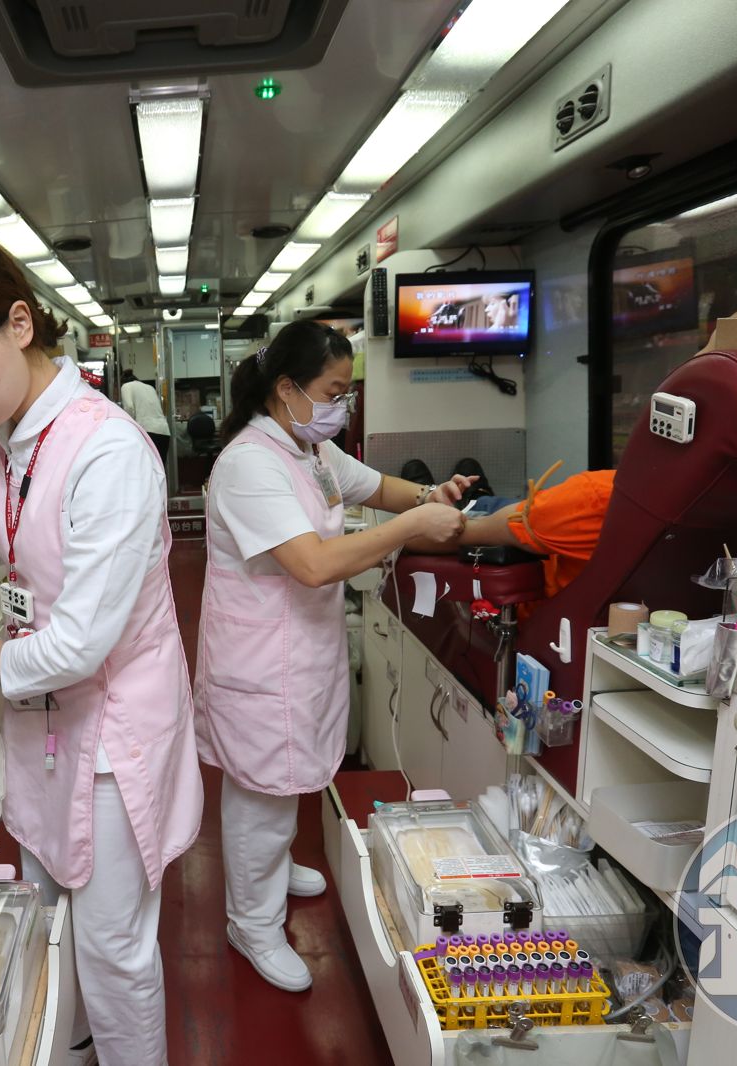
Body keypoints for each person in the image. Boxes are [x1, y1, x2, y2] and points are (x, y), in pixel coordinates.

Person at [0, 232, 202, 1066]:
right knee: (44, 911)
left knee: (112, 944)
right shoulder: (15, 433)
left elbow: (75, 645)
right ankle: (68, 1041)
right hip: (49, 722)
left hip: (111, 732)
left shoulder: (107, 451)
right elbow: (38, 528)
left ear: (20, 324)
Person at [193, 321, 473, 993]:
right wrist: (412, 526)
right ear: (286, 389)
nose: (340, 405)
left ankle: (273, 866)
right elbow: (313, 564)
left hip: (300, 650)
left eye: (346, 392)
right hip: (259, 662)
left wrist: (430, 495)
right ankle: (251, 921)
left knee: (288, 779)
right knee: (262, 792)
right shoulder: (250, 463)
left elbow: (375, 486)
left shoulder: (310, 450)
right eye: (333, 391)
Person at [408, 461, 617, 599]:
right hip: (545, 525)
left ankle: (467, 501)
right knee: (507, 506)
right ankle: (477, 496)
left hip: (539, 572)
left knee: (485, 510)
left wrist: (420, 518)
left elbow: (466, 532)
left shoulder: (597, 496)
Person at [118, 367, 170, 461]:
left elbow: (129, 407)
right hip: (164, 431)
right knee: (160, 466)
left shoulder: (126, 386)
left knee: (147, 466)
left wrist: (128, 427)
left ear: (122, 382)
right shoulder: (150, 387)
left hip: (147, 431)